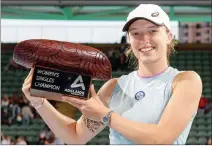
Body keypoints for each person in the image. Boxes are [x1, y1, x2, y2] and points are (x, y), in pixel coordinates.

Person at [22, 4, 202, 144]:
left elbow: (161, 139)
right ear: (129, 40)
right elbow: (76, 136)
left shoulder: (185, 81)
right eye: (136, 33)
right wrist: (40, 103)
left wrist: (105, 115)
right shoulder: (114, 87)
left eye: (153, 30)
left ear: (169, 36)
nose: (144, 39)